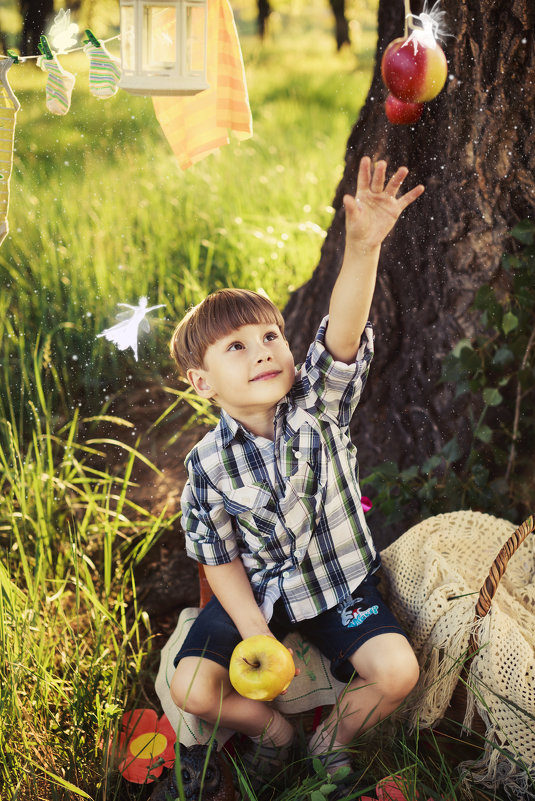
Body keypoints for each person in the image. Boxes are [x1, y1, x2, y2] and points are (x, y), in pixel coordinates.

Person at [168, 157, 425, 785]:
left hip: (337, 586)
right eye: (237, 347)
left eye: (269, 337)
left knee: (399, 671)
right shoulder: (205, 466)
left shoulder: (318, 406)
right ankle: (276, 733)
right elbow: (219, 556)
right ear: (202, 382)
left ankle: (332, 736)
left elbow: (343, 329)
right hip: (259, 594)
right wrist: (255, 632)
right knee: (191, 689)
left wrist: (362, 247)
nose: (262, 351)